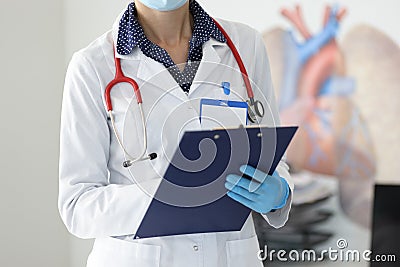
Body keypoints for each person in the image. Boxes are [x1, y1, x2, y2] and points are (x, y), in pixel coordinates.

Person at [58, 0, 293, 266]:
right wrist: (167, 196)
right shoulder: (91, 66)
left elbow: (272, 156)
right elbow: (77, 206)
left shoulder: (246, 45)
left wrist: (279, 193)